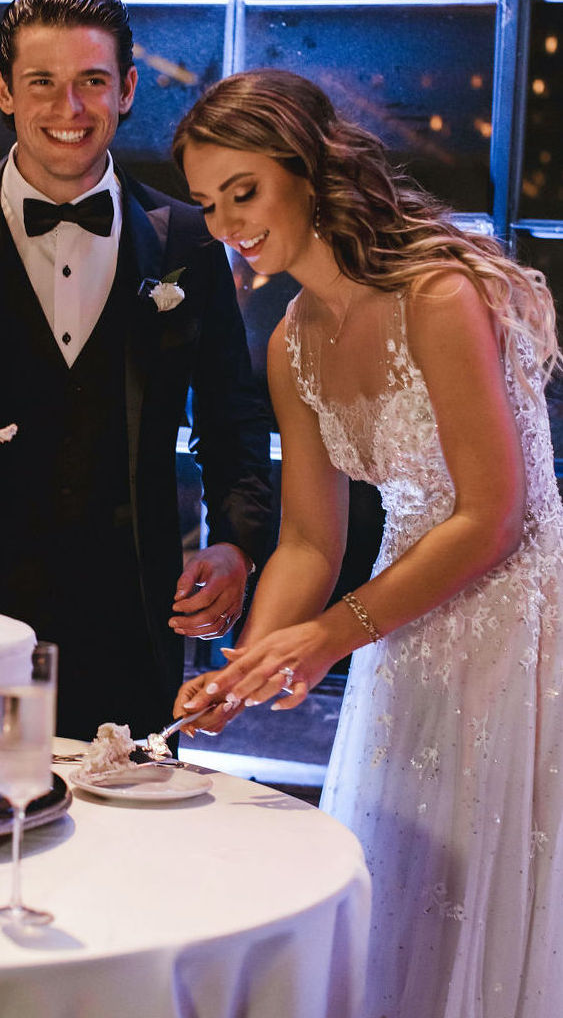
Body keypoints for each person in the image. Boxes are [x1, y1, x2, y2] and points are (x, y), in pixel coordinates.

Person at [171, 68, 563, 1017]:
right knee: (401, 896)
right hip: (399, 629)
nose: (225, 224)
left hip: (519, 625)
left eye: (244, 192)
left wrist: (327, 637)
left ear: (306, 171)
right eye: (206, 203)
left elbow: (494, 514)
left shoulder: (437, 293)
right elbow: (308, 535)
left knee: (495, 895)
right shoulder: (292, 339)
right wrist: (252, 661)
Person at [0, 0, 273, 741]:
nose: (68, 109)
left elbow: (232, 418)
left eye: (92, 82)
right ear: (5, 90)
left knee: (124, 841)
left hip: (133, 614)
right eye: (42, 82)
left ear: (128, 89)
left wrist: (236, 540)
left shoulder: (189, 243)